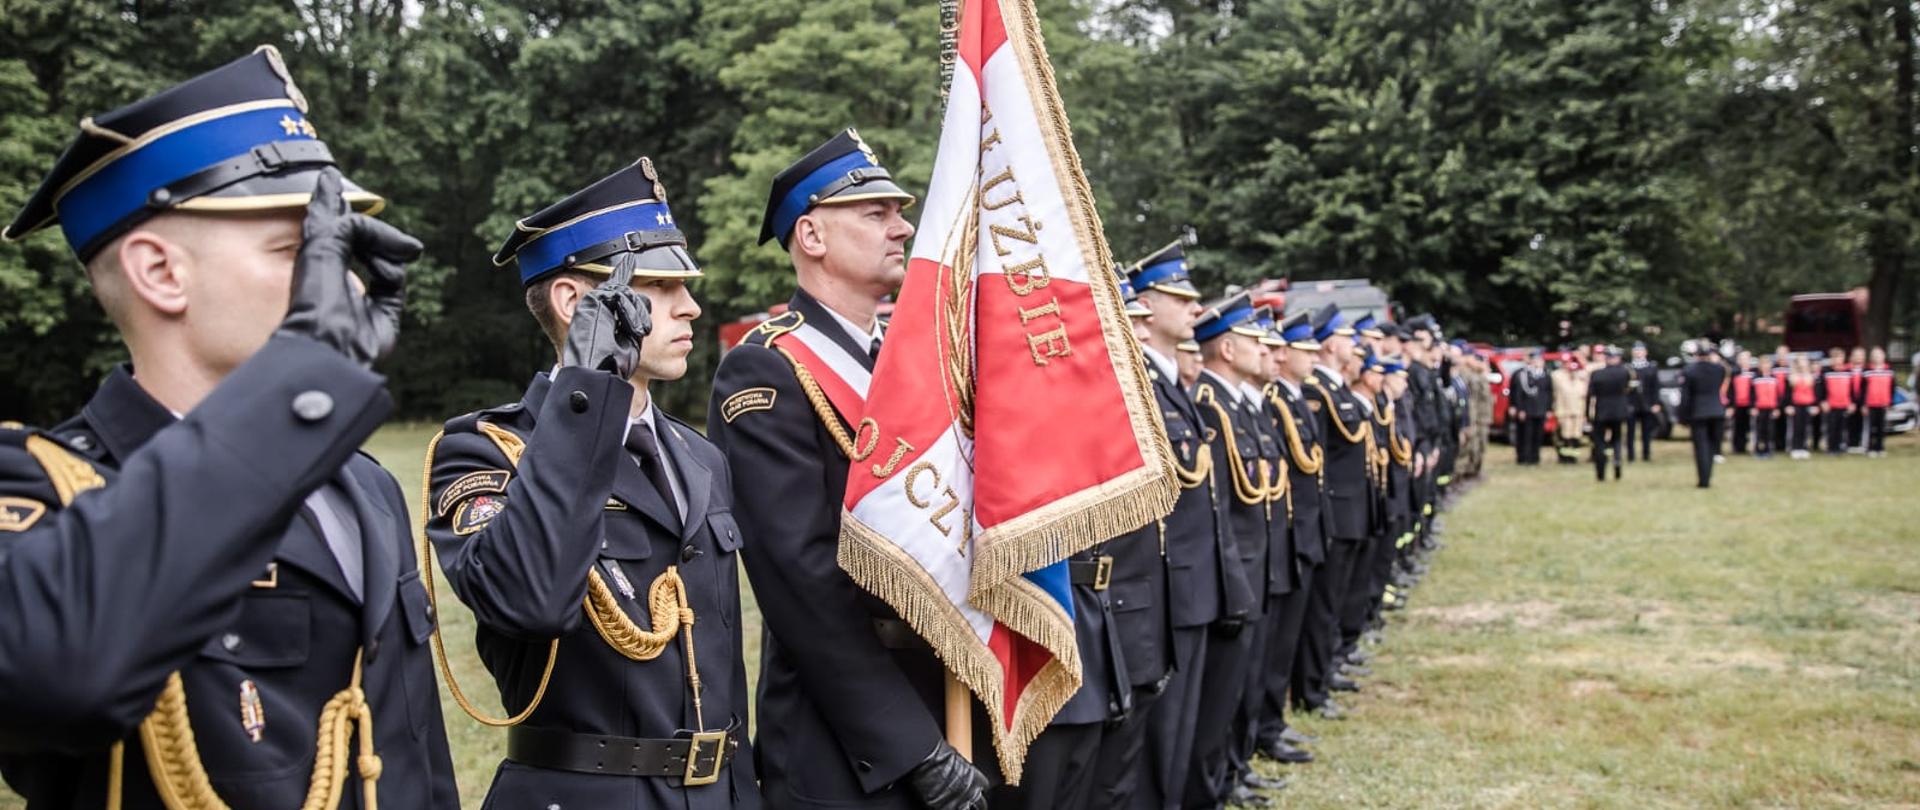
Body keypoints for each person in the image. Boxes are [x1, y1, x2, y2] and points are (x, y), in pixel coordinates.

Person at [0, 47, 458, 808]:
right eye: (300, 250)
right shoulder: (40, 488)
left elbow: (410, 752)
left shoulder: (363, 485)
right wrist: (303, 381)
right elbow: (54, 677)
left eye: (342, 252)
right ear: (160, 273)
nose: (345, 282)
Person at [423, 160, 759, 808]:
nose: (690, 306)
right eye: (659, 285)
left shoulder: (698, 456)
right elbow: (527, 601)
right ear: (574, 302)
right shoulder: (485, 452)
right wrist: (587, 389)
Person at [707, 129, 991, 810]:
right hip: (849, 734)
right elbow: (800, 582)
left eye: (899, 212)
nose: (903, 228)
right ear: (811, 235)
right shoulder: (766, 370)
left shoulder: (914, 363)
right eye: (875, 213)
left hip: (949, 688)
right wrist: (910, 744)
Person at [1124, 243, 1247, 810]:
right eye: (1180, 297)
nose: (1196, 307)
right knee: (1160, 741)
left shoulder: (1171, 383)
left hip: (1192, 585)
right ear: (1145, 307)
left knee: (1182, 733)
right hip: (1166, 589)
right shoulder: (1142, 383)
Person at [1187, 292, 1275, 809]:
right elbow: (1217, 506)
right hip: (1230, 570)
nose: (1265, 350)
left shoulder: (1235, 404)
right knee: (1216, 699)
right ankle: (1212, 788)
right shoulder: (1210, 405)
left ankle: (1232, 772)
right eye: (1252, 339)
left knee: (1238, 686)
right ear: (1225, 347)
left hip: (1251, 564)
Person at [1254, 312, 1328, 770]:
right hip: (1283, 538)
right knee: (1270, 650)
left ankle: (1270, 725)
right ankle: (1265, 730)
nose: (1279, 355)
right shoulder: (1273, 401)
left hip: (1297, 536)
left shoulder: (1288, 400)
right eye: (1274, 347)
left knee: (1280, 646)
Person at [1295, 304, 1370, 722]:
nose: (1351, 343)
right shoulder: (1318, 392)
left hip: (1349, 509)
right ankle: (1313, 686)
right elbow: (1318, 459)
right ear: (1327, 344)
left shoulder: (1338, 389)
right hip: (1335, 512)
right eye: (1343, 336)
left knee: (1336, 600)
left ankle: (1326, 670)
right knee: (1323, 606)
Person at [1678, 343, 1729, 487]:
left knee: (1701, 447)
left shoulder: (1689, 370)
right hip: (1717, 411)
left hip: (1698, 412)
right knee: (1712, 446)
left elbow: (1685, 397)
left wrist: (1683, 416)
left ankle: (1703, 479)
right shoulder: (1719, 369)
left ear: (1696, 355)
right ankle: (1708, 475)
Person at [1586, 348, 1632, 482]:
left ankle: (1600, 471)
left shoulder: (1597, 374)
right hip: (1618, 411)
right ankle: (1617, 460)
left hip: (1601, 411)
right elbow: (1629, 389)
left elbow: (1590, 395)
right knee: (1617, 438)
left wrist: (1588, 414)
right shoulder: (1624, 373)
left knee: (1599, 442)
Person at [1508, 350, 1552, 465]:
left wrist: (1548, 409)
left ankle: (1535, 457)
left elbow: (1549, 393)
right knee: (1526, 434)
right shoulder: (1521, 374)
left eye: (1540, 360)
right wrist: (1519, 408)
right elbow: (1517, 393)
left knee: (1538, 435)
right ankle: (1524, 457)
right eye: (1536, 360)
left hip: (1540, 410)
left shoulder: (1545, 375)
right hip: (1527, 409)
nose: (1538, 363)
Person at [1550, 352, 1590, 464]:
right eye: (1564, 363)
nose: (1567, 365)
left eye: (1568, 362)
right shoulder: (1557, 375)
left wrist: (1580, 359)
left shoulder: (1580, 377)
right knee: (1565, 434)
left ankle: (1574, 456)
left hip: (1578, 411)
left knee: (1576, 434)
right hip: (1564, 411)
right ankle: (1564, 457)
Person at [1626, 342, 1662, 462]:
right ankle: (1631, 456)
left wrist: (1656, 403)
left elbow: (1656, 387)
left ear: (1645, 352)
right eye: (1636, 350)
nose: (1638, 353)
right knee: (1630, 432)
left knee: (1646, 431)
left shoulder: (1651, 367)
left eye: (1640, 350)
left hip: (1647, 403)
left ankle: (1646, 455)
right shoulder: (1628, 367)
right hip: (1632, 403)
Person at [1821, 349, 1856, 456]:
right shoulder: (1826, 372)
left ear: (1843, 358)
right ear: (1831, 359)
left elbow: (1852, 390)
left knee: (1842, 428)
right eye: (1835, 357)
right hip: (1831, 405)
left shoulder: (1848, 372)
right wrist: (1823, 401)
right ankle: (1831, 448)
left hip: (1844, 405)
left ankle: (1840, 447)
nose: (1837, 360)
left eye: (1839, 357)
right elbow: (1821, 389)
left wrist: (1852, 403)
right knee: (1831, 427)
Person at [1862, 347, 1895, 458]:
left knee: (1882, 428)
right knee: (1871, 428)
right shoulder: (1867, 371)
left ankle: (1880, 448)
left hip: (1883, 404)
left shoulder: (1889, 371)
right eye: (1875, 355)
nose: (1877, 357)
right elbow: (1863, 389)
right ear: (1871, 357)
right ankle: (1871, 448)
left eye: (1879, 355)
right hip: (1871, 404)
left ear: (1883, 356)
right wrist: (1864, 404)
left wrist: (1890, 403)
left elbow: (1892, 388)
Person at [1788, 355, 1819, 460]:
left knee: (1806, 427)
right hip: (1796, 405)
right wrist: (1790, 405)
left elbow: (1815, 392)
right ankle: (1795, 448)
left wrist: (1814, 405)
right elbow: (1789, 393)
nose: (1802, 363)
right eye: (1800, 361)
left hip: (1808, 405)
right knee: (1796, 427)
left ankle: (1804, 448)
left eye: (1804, 361)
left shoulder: (1811, 376)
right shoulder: (1792, 376)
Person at [1752, 355, 1780, 460]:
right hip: (1759, 408)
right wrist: (1753, 407)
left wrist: (1777, 408)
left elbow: (1778, 394)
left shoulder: (1774, 379)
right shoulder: (1756, 378)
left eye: (1767, 363)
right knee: (1759, 430)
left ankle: (1768, 450)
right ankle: (1758, 450)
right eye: (1763, 364)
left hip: (1771, 408)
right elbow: (1752, 394)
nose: (1765, 366)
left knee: (1770, 430)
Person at [1730, 350, 1756, 454]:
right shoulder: (1735, 372)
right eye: (1742, 359)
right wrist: (1731, 405)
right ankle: (1738, 447)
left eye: (1746, 359)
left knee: (1750, 427)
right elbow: (1731, 390)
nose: (1744, 361)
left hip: (1750, 404)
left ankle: (1752, 446)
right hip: (1738, 404)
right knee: (1738, 427)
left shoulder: (1754, 373)